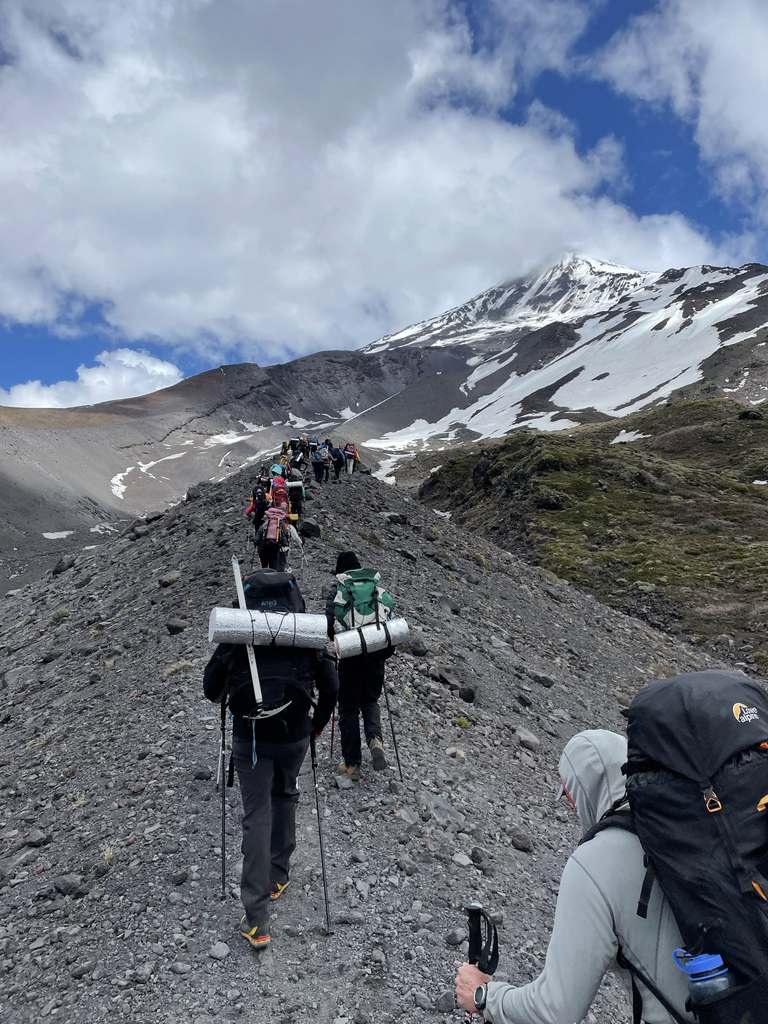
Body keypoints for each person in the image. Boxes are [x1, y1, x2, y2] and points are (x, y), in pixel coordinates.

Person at [455, 729, 692, 1023]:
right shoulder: (686, 832)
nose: (572, 805)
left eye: (569, 794)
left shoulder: (596, 862)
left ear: (583, 788)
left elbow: (555, 1012)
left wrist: (484, 996)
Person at [203, 570, 338, 950]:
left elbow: (210, 688)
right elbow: (331, 686)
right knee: (286, 795)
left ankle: (257, 919)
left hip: (251, 740)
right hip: (295, 734)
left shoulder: (240, 634)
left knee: (256, 815)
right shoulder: (303, 633)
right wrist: (317, 726)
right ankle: (279, 874)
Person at [325, 551, 392, 781]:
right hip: (375, 657)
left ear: (340, 572)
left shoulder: (339, 592)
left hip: (350, 658)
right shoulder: (375, 589)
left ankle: (353, 764)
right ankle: (376, 740)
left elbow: (328, 626)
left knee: (348, 709)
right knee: (370, 700)